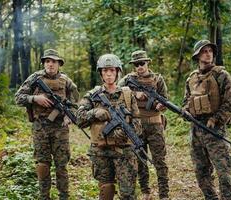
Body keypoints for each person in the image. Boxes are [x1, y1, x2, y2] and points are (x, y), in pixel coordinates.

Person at [15, 49, 79, 200]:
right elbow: (18, 98)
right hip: (40, 127)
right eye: (47, 61)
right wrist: (34, 99)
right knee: (43, 165)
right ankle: (44, 197)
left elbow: (76, 101)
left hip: (60, 129)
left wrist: (69, 116)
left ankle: (64, 196)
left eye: (54, 61)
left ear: (59, 64)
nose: (50, 64)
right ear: (44, 63)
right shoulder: (35, 78)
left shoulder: (66, 81)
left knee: (61, 165)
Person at [76, 54, 141, 200]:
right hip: (101, 151)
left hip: (124, 151)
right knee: (106, 190)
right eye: (105, 71)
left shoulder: (128, 95)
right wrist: (94, 113)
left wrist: (124, 133)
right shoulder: (93, 95)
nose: (109, 74)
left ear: (118, 72)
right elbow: (79, 119)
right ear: (101, 73)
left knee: (128, 192)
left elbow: (137, 123)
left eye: (112, 70)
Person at [182, 40, 231, 200]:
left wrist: (216, 119)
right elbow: (185, 101)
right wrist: (186, 111)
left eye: (210, 51)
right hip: (196, 132)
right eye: (204, 51)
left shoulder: (222, 76)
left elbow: (230, 103)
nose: (208, 53)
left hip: (215, 131)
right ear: (197, 55)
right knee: (201, 172)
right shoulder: (191, 79)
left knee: (224, 172)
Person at [118, 50, 169, 200]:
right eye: (136, 64)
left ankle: (164, 194)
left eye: (142, 63)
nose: (140, 66)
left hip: (155, 125)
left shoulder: (158, 79)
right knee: (141, 160)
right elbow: (117, 93)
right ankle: (146, 191)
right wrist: (135, 94)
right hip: (136, 126)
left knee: (160, 160)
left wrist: (161, 105)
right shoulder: (127, 80)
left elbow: (165, 99)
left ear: (148, 63)